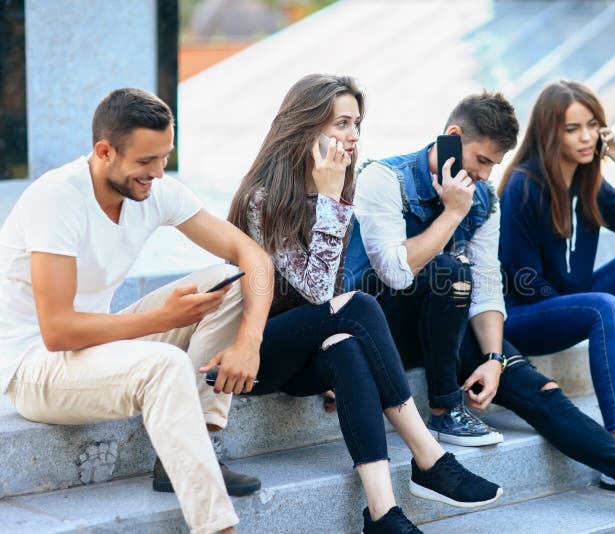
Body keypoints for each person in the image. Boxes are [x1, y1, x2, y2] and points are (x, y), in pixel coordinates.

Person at [344, 90, 615, 513]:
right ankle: (444, 410)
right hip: (382, 327)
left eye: (494, 164)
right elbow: (395, 272)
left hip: (445, 327)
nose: (486, 175)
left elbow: (488, 285)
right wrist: (452, 213)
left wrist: (493, 357)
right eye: (482, 160)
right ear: (454, 136)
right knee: (448, 271)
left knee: (540, 389)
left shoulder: (483, 199)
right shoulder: (385, 177)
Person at [227, 74, 502, 534]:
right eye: (341, 123)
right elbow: (317, 291)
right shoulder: (262, 199)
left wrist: (332, 197)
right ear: (304, 126)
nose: (353, 136)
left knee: (348, 344)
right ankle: (430, 459)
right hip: (260, 355)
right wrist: (333, 200)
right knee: (357, 307)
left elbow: (328, 292)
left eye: (357, 124)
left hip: (310, 355)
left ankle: (383, 515)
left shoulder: (335, 187)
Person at [0, 88, 272, 534]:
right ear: (104, 151)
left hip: (102, 346)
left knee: (228, 282)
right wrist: (164, 319)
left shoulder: (156, 188)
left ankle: (195, 440)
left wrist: (249, 342)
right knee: (165, 365)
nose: (158, 173)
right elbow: (58, 332)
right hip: (35, 367)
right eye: (147, 161)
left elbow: (252, 256)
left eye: (165, 157)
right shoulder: (57, 199)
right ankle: (219, 527)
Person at [497, 80, 615, 456]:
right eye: (572, 129)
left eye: (592, 125)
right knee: (602, 306)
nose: (586, 137)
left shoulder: (590, 184)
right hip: (522, 316)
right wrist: (578, 308)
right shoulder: (524, 186)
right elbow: (523, 281)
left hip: (572, 303)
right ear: (550, 133)